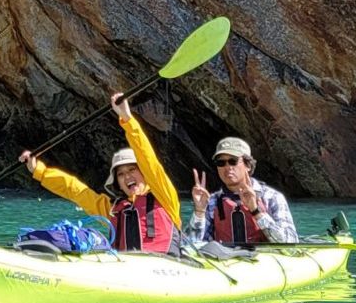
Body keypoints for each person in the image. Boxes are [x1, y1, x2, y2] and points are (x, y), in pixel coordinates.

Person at [20, 92, 181, 253]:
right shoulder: (112, 210)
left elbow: (148, 159)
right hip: (126, 264)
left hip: (166, 263)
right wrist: (39, 171)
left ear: (145, 175)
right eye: (121, 174)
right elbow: (75, 190)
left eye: (132, 170)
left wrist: (127, 119)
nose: (127, 176)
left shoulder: (164, 196)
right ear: (118, 183)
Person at [188, 135, 297, 245]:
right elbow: (190, 246)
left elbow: (290, 242)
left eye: (233, 161)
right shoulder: (211, 202)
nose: (228, 167)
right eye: (221, 163)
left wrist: (255, 211)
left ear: (248, 165)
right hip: (224, 255)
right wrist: (199, 212)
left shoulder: (272, 197)